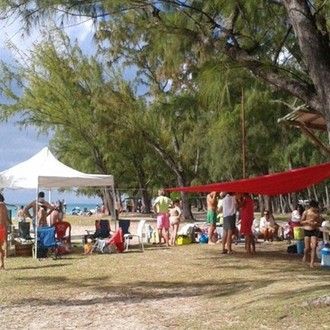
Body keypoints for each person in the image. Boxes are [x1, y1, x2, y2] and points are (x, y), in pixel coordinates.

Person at [300, 200, 322, 268]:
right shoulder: (306, 212)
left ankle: (312, 263)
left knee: (314, 246)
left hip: (314, 230)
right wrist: (308, 221)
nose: (316, 209)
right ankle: (305, 255)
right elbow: (301, 222)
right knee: (307, 248)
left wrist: (316, 224)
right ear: (311, 207)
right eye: (315, 207)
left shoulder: (317, 214)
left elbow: (320, 223)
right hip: (307, 230)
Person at [0, 193, 9, 270]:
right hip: (2, 228)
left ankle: (2, 264)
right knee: (0, 247)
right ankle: (2, 264)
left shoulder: (1, 205)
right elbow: (7, 218)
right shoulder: (4, 206)